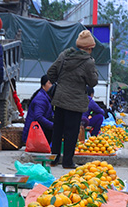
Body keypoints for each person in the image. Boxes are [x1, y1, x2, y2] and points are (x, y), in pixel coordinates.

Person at [47, 30, 98, 169]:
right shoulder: (88, 62)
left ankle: (54, 158)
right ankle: (67, 162)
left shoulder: (64, 55)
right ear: (89, 48)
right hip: (75, 102)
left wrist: (62, 82)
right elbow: (93, 82)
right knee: (71, 132)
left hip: (60, 99)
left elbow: (50, 73)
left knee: (57, 130)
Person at [22, 75, 54, 144]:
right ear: (43, 85)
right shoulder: (41, 98)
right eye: (49, 83)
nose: (52, 85)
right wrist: (53, 126)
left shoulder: (47, 97)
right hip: (34, 132)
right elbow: (38, 117)